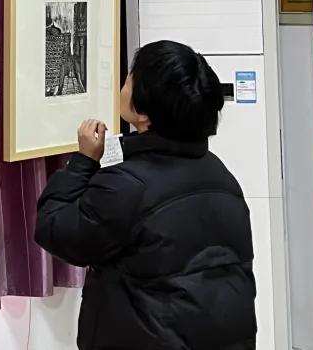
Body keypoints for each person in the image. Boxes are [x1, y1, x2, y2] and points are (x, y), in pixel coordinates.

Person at [34, 40, 257, 350]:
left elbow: (55, 229)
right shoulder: (221, 175)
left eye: (130, 78)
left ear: (144, 113)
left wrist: (83, 162)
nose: (124, 84)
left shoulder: (127, 185)